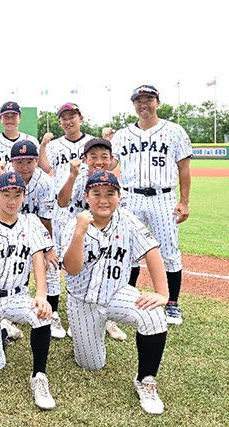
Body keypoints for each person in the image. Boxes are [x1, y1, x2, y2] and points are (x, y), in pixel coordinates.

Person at [61, 171, 169, 415]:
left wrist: (162, 293)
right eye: (97, 194)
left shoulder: (128, 220)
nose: (103, 200)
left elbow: (151, 251)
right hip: (83, 301)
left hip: (116, 294)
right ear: (86, 196)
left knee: (154, 316)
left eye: (110, 194)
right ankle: (95, 330)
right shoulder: (75, 224)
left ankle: (146, 380)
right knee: (91, 364)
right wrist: (79, 232)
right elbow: (73, 268)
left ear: (119, 197)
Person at [0, 172, 56, 410]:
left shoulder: (31, 222)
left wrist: (41, 294)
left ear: (24, 195)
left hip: (17, 296)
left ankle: (39, 376)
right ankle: (3, 332)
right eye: (6, 195)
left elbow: (38, 257)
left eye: (17, 195)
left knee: (42, 315)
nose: (12, 200)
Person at [109, 85, 192, 325]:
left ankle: (172, 303)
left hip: (162, 198)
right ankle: (125, 301)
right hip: (130, 197)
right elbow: (110, 164)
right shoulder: (122, 135)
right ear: (133, 105)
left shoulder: (175, 131)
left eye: (148, 99)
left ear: (158, 102)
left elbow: (184, 169)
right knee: (126, 251)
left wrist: (184, 201)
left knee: (169, 252)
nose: (143, 104)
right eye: (138, 100)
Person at [0, 140, 65, 339]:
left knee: (51, 265)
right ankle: (4, 314)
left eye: (29, 161)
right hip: (6, 229)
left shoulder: (44, 182)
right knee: (4, 267)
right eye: (19, 162)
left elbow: (45, 219)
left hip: (34, 229)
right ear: (12, 162)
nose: (24, 166)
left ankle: (52, 312)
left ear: (36, 161)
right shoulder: (4, 176)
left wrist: (47, 248)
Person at [57, 138, 127, 341]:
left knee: (107, 276)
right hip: (79, 235)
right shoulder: (77, 178)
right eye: (93, 156)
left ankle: (109, 321)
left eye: (104, 157)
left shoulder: (115, 184)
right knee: (76, 277)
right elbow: (62, 202)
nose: (99, 161)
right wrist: (72, 176)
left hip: (105, 235)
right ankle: (77, 320)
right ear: (85, 159)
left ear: (111, 160)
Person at [0, 101, 40, 173]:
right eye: (6, 116)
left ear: (20, 117)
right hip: (0, 179)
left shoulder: (31, 140)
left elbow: (39, 166)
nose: (10, 120)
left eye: (13, 116)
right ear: (1, 118)